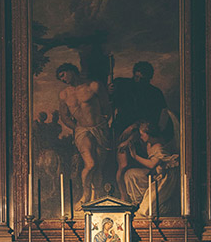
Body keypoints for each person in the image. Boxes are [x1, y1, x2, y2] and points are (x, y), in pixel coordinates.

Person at [109, 61, 173, 200]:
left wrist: (133, 130)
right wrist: (110, 92)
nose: (138, 81)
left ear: (149, 78)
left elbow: (152, 121)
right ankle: (123, 195)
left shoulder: (155, 94)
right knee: (124, 164)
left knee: (137, 166)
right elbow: (110, 102)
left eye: (142, 79)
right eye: (136, 77)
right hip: (121, 130)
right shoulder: (124, 85)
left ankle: (137, 197)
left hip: (141, 134)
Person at [56, 63, 111, 211]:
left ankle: (96, 196)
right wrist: (77, 128)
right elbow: (64, 116)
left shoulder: (93, 86)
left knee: (98, 166)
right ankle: (85, 195)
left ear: (71, 71)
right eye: (60, 78)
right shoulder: (65, 94)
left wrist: (102, 122)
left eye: (63, 75)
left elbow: (107, 107)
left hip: (99, 128)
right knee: (91, 163)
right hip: (81, 131)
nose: (63, 79)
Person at [124, 121, 179, 217]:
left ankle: (168, 207)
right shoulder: (149, 144)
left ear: (149, 134)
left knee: (147, 210)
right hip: (156, 175)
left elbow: (152, 164)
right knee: (130, 174)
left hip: (165, 179)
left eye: (142, 134)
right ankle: (137, 202)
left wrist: (135, 156)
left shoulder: (158, 146)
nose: (141, 137)